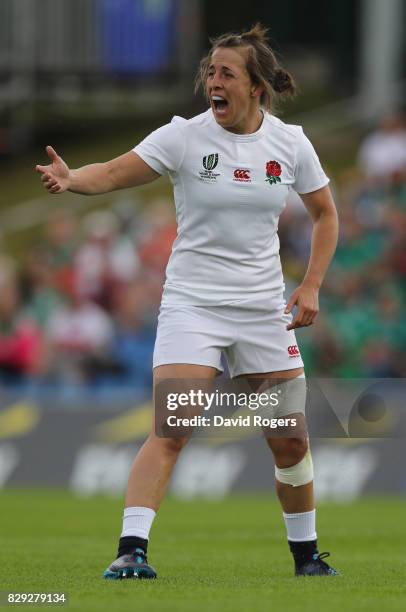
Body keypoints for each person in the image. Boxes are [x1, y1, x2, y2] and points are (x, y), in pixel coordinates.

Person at [35, 24, 339, 578]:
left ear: (257, 87)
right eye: (210, 73)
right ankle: (131, 551)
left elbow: (325, 214)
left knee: (291, 441)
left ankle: (308, 558)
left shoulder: (291, 144)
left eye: (226, 74)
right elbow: (112, 172)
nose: (213, 83)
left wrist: (311, 283)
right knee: (173, 424)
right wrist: (71, 177)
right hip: (193, 306)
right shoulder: (183, 136)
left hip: (262, 310)